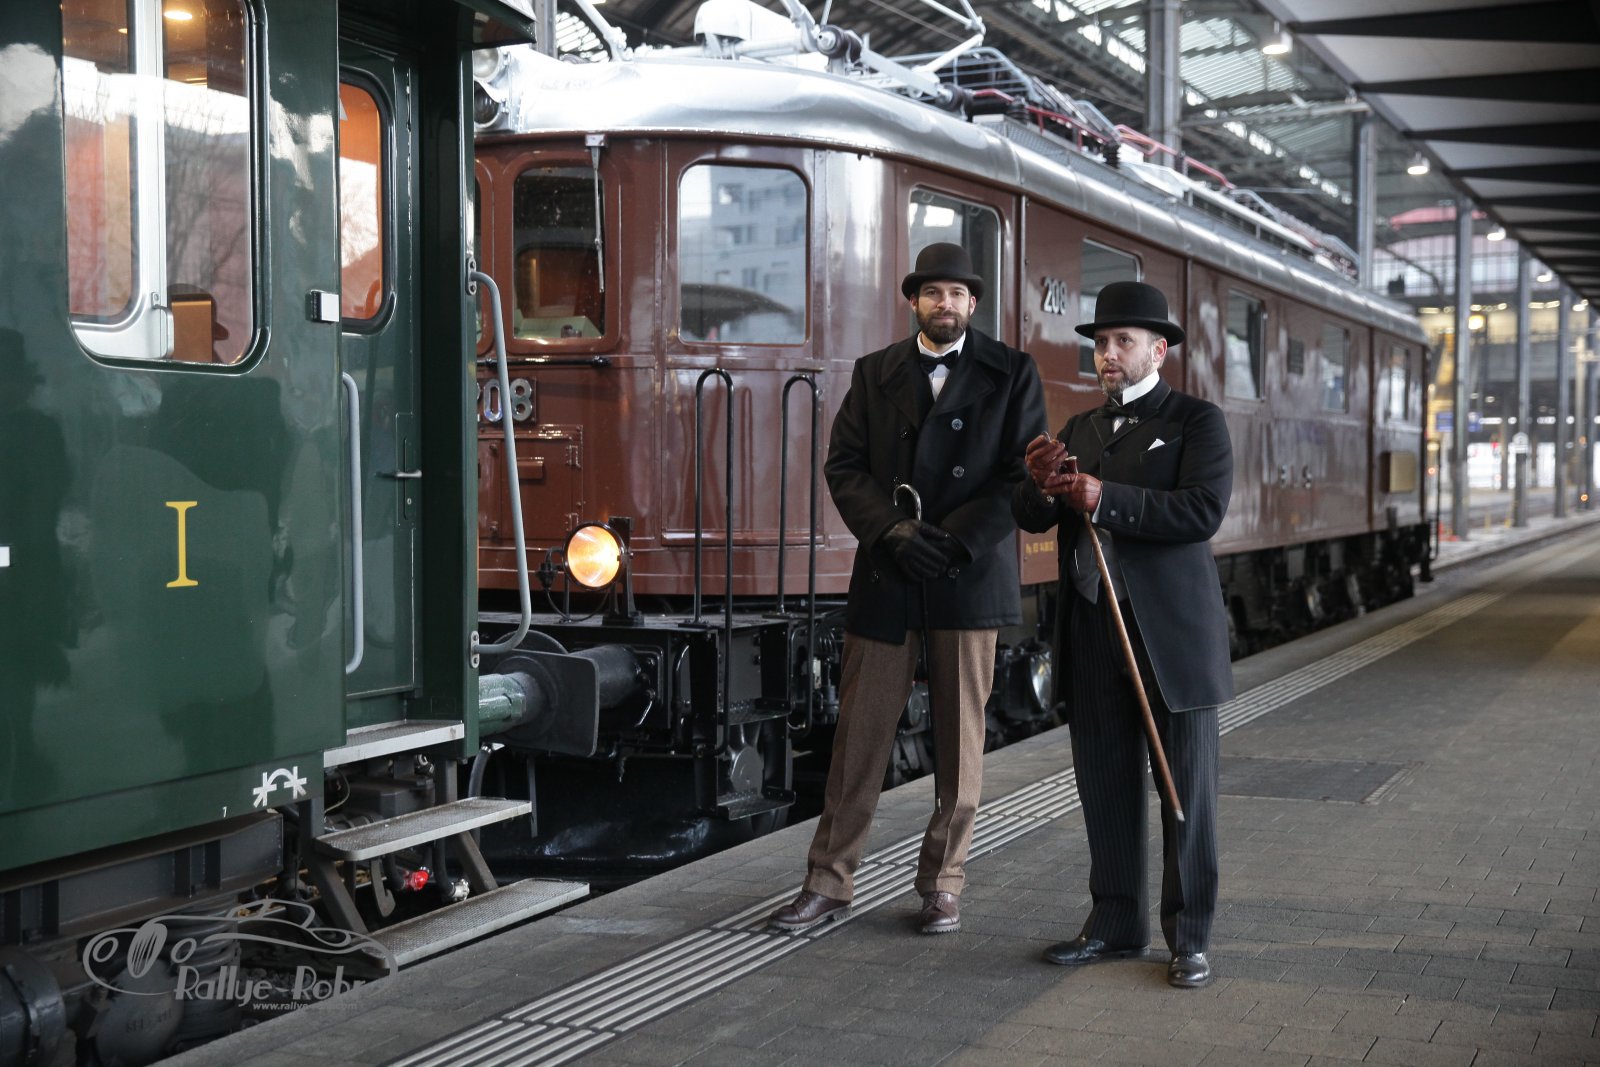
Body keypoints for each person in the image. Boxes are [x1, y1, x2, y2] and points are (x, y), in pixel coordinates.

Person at [770, 242, 1046, 935]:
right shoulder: (875, 371)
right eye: (931, 293)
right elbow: (844, 466)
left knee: (961, 744)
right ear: (914, 301)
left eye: (956, 294)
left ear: (972, 303)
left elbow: (1020, 475)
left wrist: (953, 541)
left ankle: (943, 885)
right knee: (858, 740)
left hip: (967, 572)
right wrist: (891, 531)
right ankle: (828, 882)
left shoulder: (1012, 371)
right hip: (889, 571)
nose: (943, 304)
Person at [1011, 280, 1233, 988]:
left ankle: (1189, 936)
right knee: (1105, 780)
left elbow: (1201, 511)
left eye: (1122, 342)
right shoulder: (1079, 428)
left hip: (1171, 637)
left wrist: (1106, 498)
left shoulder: (1196, 421)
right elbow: (1037, 517)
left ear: (1158, 351)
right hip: (1092, 624)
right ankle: (1114, 924)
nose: (1108, 353)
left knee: (1184, 788)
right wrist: (1035, 482)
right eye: (1101, 342)